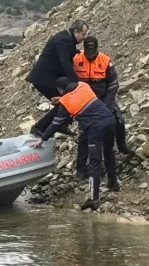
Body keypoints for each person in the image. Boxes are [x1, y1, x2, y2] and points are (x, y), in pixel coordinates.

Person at [29, 77, 115, 210]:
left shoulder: (66, 102)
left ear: (60, 90)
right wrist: (61, 98)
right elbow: (77, 96)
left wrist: (42, 138)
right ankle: (113, 183)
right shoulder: (83, 85)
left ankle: (94, 199)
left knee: (95, 162)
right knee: (109, 152)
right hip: (110, 120)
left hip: (95, 127)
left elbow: (56, 123)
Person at [73, 37, 135, 186]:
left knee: (118, 121)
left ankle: (121, 146)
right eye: (88, 52)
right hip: (85, 101)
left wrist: (106, 105)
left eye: (92, 52)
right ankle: (81, 168)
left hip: (104, 96)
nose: (90, 55)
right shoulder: (75, 59)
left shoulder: (105, 61)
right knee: (84, 133)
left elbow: (113, 84)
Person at [26, 19, 90, 136]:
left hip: (47, 77)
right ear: (76, 32)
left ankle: (61, 124)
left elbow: (67, 52)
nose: (84, 38)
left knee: (65, 101)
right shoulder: (64, 40)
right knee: (65, 102)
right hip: (43, 78)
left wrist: (77, 52)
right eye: (83, 34)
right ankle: (39, 128)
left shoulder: (67, 39)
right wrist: (77, 83)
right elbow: (65, 63)